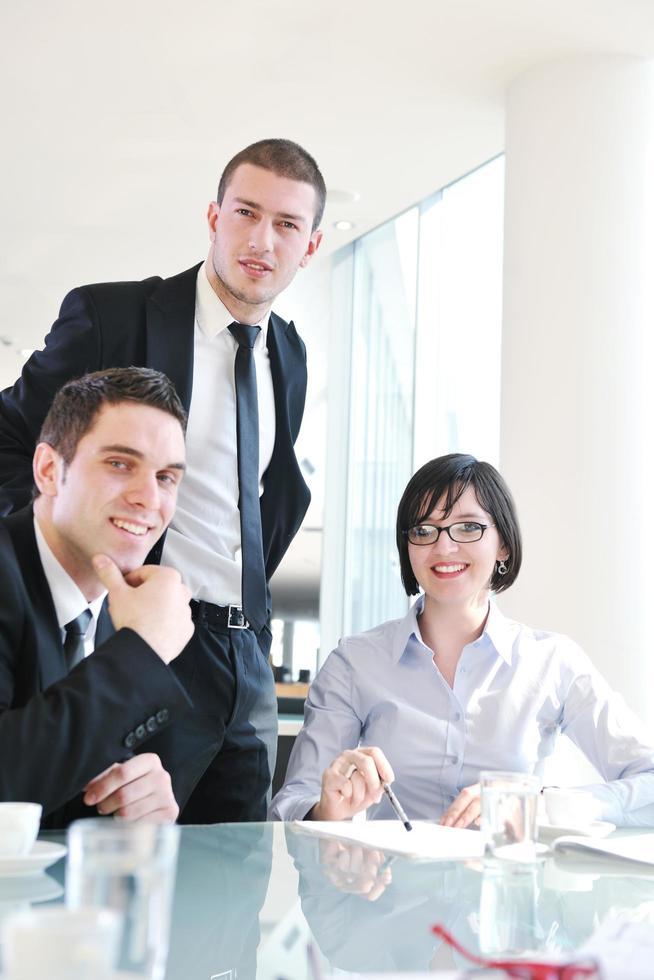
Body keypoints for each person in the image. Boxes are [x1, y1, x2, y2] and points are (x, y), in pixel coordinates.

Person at [0, 138, 325, 822]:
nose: (262, 239)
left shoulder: (288, 355)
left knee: (233, 887)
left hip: (245, 654)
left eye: (287, 225)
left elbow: (270, 493)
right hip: (143, 638)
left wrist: (255, 620)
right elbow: (12, 438)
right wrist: (48, 580)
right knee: (128, 869)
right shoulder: (113, 318)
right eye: (246, 212)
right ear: (213, 217)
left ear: (313, 245)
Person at [271, 453, 654, 827]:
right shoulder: (355, 662)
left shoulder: (552, 661)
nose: (444, 547)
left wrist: (538, 804)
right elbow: (292, 801)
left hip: (507, 885)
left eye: (468, 527)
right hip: (391, 887)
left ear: (503, 543)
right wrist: (327, 811)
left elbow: (648, 781)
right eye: (423, 530)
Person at [0, 367, 195, 828]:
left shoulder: (117, 616)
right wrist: (142, 652)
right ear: (49, 470)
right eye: (120, 464)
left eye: (166, 477)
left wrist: (143, 804)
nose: (149, 498)